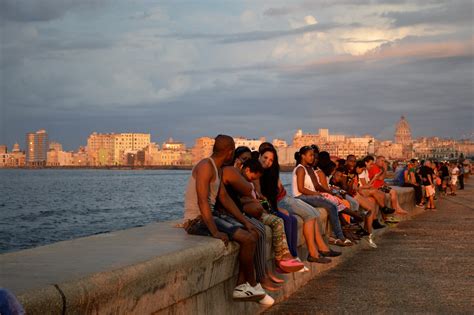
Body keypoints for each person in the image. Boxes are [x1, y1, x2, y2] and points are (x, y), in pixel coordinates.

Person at [183, 135, 266, 302]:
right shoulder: (206, 166)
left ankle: (242, 286)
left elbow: (225, 199)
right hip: (197, 220)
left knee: (254, 233)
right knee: (247, 239)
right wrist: (214, 231)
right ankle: (250, 284)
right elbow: (202, 201)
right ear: (229, 152)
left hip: (212, 215)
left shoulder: (218, 168)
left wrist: (245, 222)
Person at [217, 146, 282, 294]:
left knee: (261, 230)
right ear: (235, 159)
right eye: (243, 159)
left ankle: (262, 273)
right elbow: (245, 191)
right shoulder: (230, 172)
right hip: (228, 214)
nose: (245, 163)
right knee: (258, 230)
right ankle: (259, 277)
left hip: (236, 212)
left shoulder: (237, 174)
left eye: (248, 160)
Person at [292, 146, 353, 247]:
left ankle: (340, 232)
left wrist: (328, 192)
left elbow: (317, 186)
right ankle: (340, 236)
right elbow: (301, 189)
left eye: (313, 155)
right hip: (300, 197)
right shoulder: (300, 169)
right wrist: (316, 194)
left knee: (331, 203)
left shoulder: (309, 169)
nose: (312, 158)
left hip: (309, 195)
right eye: (310, 155)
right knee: (332, 206)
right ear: (303, 156)